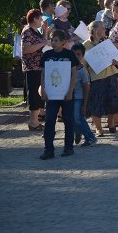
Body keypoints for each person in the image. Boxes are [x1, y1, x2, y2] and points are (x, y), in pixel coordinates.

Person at [39, 30, 80, 160]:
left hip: (66, 94)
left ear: (63, 42)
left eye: (56, 40)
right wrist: (44, 90)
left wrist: (70, 91)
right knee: (50, 120)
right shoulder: (47, 55)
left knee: (68, 120)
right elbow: (43, 74)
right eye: (52, 40)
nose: (53, 42)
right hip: (51, 95)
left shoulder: (69, 55)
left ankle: (68, 147)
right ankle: (48, 149)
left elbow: (74, 74)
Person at [84, 21, 118, 136]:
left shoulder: (106, 42)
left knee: (112, 102)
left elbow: (116, 58)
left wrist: (116, 61)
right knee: (96, 104)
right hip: (96, 78)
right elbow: (82, 64)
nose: (105, 30)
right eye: (103, 28)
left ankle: (111, 123)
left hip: (110, 75)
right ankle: (98, 129)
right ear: (95, 30)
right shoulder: (85, 45)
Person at [21, 9, 50, 131]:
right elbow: (26, 49)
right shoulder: (27, 31)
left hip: (38, 66)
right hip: (32, 67)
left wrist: (45, 32)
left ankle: (35, 120)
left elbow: (41, 43)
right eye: (40, 18)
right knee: (34, 93)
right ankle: (33, 121)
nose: (42, 20)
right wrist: (44, 42)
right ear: (35, 19)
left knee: (38, 94)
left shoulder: (34, 31)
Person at [70, 43, 97, 147]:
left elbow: (86, 88)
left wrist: (85, 104)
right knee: (72, 117)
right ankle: (77, 132)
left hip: (79, 97)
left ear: (82, 56)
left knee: (77, 117)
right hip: (69, 97)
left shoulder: (82, 71)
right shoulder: (66, 67)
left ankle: (90, 137)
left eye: (78, 54)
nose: (76, 57)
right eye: (74, 54)